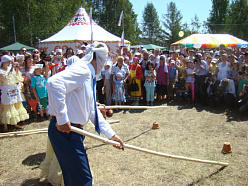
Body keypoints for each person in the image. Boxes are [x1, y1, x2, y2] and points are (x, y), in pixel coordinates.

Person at [46, 42, 124, 186]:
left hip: (73, 133)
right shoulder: (82, 70)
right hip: (65, 133)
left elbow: (91, 109)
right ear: (98, 59)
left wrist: (111, 134)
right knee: (82, 180)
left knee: (76, 179)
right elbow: (53, 83)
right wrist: (62, 119)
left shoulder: (88, 75)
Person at [0, 55, 29, 132]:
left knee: (15, 105)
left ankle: (15, 123)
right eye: (8, 62)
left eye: (10, 62)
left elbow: (18, 78)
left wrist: (16, 69)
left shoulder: (11, 69)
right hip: (6, 91)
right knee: (7, 106)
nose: (9, 63)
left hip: (14, 90)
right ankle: (5, 126)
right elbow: (6, 80)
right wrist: (12, 70)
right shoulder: (1, 71)